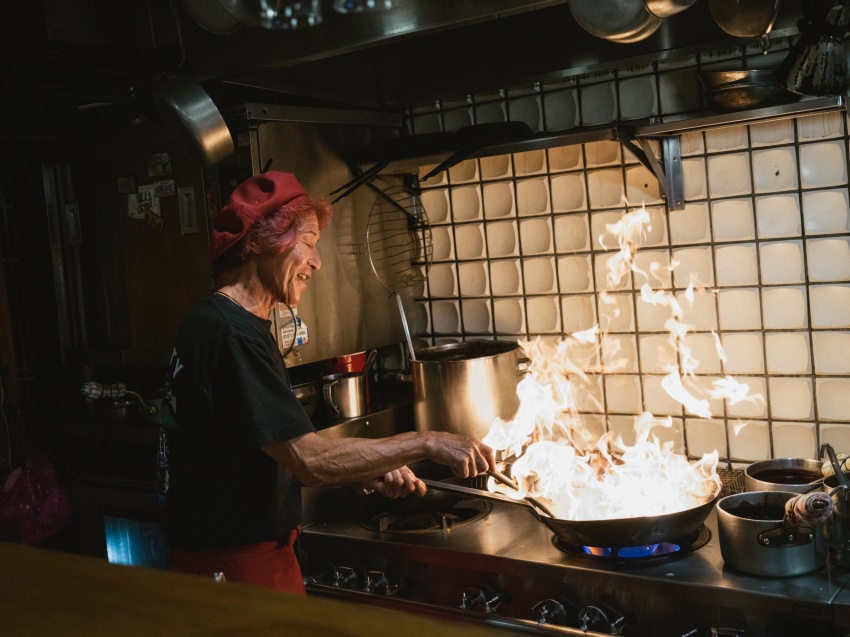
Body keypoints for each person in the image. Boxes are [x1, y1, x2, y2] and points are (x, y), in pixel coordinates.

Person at [157, 171, 494, 593]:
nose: (316, 262)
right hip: (234, 570)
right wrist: (427, 442)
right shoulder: (232, 333)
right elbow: (309, 459)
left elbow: (260, 449)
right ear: (264, 241)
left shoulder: (220, 322)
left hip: (239, 561)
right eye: (310, 243)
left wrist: (365, 468)